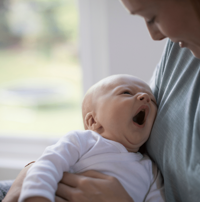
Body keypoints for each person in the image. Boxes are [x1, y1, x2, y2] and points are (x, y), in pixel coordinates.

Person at [3, 0, 200, 201]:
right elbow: (54, 162)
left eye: (151, 16)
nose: (155, 35)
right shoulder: (185, 50)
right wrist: (32, 179)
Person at [17, 74, 164, 202]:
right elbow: (47, 165)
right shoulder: (82, 141)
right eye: (126, 92)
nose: (145, 98)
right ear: (93, 121)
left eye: (152, 100)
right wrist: (37, 196)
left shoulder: (151, 170)